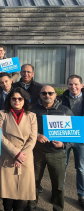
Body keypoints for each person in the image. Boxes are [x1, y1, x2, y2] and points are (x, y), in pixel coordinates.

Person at [26, 86, 74, 211]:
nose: (47, 95)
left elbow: (76, 134)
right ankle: (31, 206)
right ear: (40, 95)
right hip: (37, 151)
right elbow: (24, 128)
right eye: (44, 93)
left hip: (57, 153)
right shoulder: (32, 110)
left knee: (58, 185)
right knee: (34, 182)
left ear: (55, 95)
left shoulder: (65, 111)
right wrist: (36, 135)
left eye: (50, 93)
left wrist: (64, 145)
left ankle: (58, 208)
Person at [0, 87, 37, 211]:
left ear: (24, 100)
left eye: (20, 99)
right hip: (7, 156)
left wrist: (22, 156)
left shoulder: (32, 116)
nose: (17, 101)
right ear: (9, 100)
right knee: (7, 193)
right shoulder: (2, 114)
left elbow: (32, 139)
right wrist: (16, 153)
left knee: (22, 192)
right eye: (14, 98)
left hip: (24, 158)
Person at [61, 74, 84, 208]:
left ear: (82, 85)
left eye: (76, 84)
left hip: (82, 139)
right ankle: (60, 193)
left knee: (81, 168)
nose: (73, 87)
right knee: (62, 166)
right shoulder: (61, 99)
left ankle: (81, 195)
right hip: (66, 137)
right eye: (70, 84)